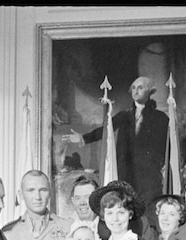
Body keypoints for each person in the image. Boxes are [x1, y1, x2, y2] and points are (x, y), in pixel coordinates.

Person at [62, 77, 169, 222]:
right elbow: (106, 130)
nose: (136, 91)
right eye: (134, 87)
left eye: (141, 88)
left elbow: (164, 144)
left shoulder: (160, 118)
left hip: (148, 176)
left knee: (148, 211)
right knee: (125, 207)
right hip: (126, 173)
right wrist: (83, 138)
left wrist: (157, 163)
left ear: (150, 92)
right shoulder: (124, 116)